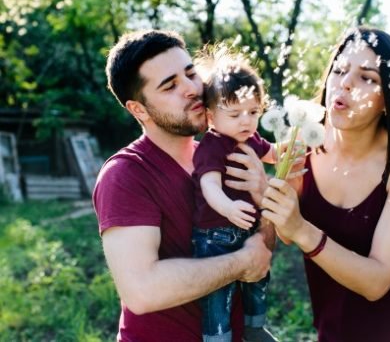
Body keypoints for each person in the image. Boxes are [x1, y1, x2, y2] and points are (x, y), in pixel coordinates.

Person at [261, 26, 390, 342]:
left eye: (368, 78)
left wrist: (302, 230)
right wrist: (284, 199)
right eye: (339, 70)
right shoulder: (302, 144)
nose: (345, 83)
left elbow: (376, 281)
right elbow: (288, 232)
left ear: (388, 100)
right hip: (337, 330)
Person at [92, 29, 273, 342]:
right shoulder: (125, 175)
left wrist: (263, 199)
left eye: (190, 73)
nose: (192, 89)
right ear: (138, 109)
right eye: (170, 86)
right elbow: (142, 291)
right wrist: (240, 263)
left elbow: (262, 252)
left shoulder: (224, 153)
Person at [191, 45, 278, 342]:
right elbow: (209, 185)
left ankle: (255, 326)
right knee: (218, 293)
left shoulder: (251, 138)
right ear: (211, 116)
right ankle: (217, 337)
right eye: (236, 113)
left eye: (253, 112)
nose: (246, 121)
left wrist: (300, 149)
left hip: (247, 229)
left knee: (258, 279)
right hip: (215, 234)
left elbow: (275, 154)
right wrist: (227, 208)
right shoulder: (212, 146)